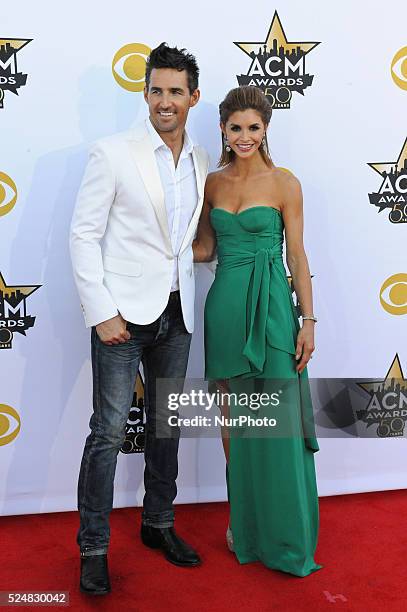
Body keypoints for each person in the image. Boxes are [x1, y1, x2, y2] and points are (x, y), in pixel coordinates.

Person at [70, 42, 209, 595]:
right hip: (122, 318)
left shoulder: (201, 158)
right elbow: (83, 235)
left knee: (167, 426)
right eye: (156, 90)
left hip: (177, 311)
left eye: (176, 91)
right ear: (145, 92)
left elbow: (188, 238)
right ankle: (93, 547)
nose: (165, 101)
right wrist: (102, 312)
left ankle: (158, 524)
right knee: (106, 433)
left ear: (193, 97)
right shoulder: (113, 152)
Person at [193, 85, 322, 577]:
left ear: (265, 129)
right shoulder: (212, 184)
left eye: (253, 127)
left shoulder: (285, 182)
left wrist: (307, 320)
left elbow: (298, 256)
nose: (244, 136)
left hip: (272, 310)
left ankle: (286, 535)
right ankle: (243, 527)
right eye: (235, 128)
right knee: (236, 425)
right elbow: (204, 249)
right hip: (225, 308)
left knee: (280, 423)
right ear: (223, 131)